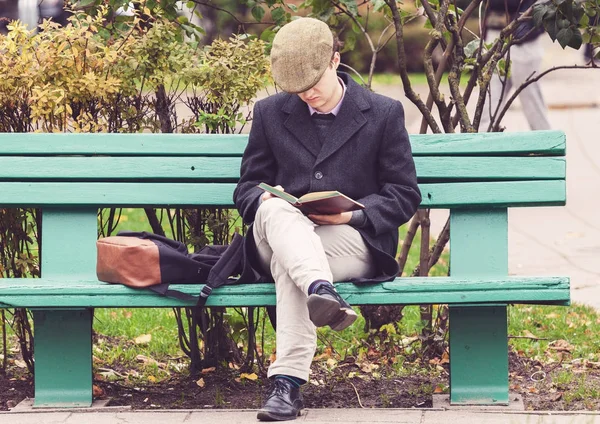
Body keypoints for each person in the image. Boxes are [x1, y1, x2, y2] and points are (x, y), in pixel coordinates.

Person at [233, 17, 421, 421]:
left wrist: (353, 215)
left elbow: (404, 195)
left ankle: (286, 384)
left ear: (336, 59)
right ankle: (321, 290)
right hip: (280, 232)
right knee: (273, 209)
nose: (307, 95)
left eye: (313, 83)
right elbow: (247, 187)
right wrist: (267, 197)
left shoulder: (384, 113)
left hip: (353, 241)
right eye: (297, 89)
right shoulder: (269, 113)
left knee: (292, 265)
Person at [479, 0, 551, 132]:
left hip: (524, 38)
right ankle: (483, 146)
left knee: (531, 100)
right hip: (495, 34)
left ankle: (547, 144)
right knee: (489, 102)